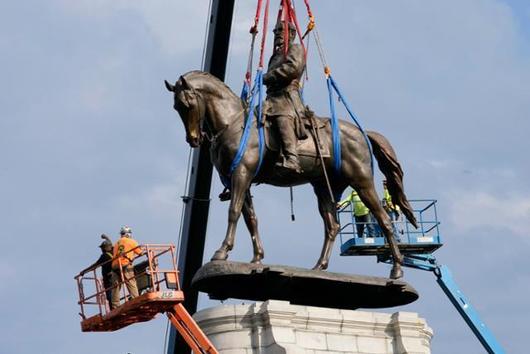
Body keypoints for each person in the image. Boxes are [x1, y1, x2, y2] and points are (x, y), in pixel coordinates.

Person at [263, 20, 306, 173]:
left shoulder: (296, 48)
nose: (278, 34)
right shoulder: (275, 56)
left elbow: (292, 69)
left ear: (292, 34)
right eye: (276, 31)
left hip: (287, 98)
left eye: (281, 31)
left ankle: (292, 158)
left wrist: (268, 77)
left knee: (282, 116)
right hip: (272, 98)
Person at [110, 226, 142, 309]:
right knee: (131, 282)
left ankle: (115, 305)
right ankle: (136, 300)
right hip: (125, 264)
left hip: (115, 266)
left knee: (116, 286)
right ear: (129, 234)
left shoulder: (117, 243)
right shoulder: (131, 241)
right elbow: (140, 253)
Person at [79, 234, 114, 309]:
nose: (102, 250)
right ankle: (115, 306)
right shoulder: (113, 252)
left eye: (102, 248)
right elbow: (111, 243)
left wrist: (84, 271)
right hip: (116, 276)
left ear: (105, 248)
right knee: (115, 293)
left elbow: (95, 265)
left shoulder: (104, 256)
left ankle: (113, 308)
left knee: (110, 295)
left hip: (109, 279)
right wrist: (106, 237)